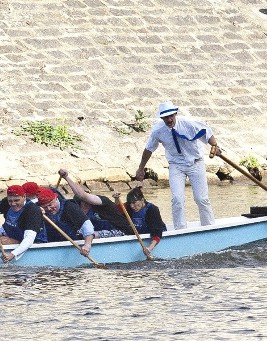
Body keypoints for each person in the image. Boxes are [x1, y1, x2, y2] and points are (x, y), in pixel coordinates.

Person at [135, 101, 219, 230]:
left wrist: (214, 145)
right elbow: (149, 149)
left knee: (201, 198)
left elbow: (207, 131)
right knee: (177, 199)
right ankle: (180, 230)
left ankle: (209, 227)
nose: (169, 120)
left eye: (171, 116)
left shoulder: (188, 123)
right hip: (176, 165)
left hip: (195, 162)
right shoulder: (158, 130)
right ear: (162, 118)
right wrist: (141, 168)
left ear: (175, 114)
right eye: (165, 117)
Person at [57, 168, 133, 238]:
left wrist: (66, 177)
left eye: (86, 202)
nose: (85, 205)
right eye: (82, 204)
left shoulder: (102, 202)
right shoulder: (75, 210)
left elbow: (82, 195)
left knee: (88, 235)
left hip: (122, 232)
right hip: (95, 234)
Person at [0, 185, 47, 263]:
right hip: (12, 236)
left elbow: (29, 239)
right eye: (10, 201)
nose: (13, 204)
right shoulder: (6, 202)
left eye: (17, 200)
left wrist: (12, 254)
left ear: (24, 196)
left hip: (34, 242)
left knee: (3, 241)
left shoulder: (32, 210)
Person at [35, 187, 96, 256]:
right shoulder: (37, 209)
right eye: (45, 207)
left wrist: (87, 245)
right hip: (49, 245)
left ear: (56, 198)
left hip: (71, 243)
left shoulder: (69, 206)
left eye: (50, 205)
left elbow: (87, 226)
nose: (49, 209)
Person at [117, 186, 166, 255]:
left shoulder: (152, 209)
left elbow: (157, 233)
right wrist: (116, 199)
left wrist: (150, 248)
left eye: (134, 203)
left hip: (155, 234)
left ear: (142, 200)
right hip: (139, 232)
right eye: (130, 203)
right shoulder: (129, 207)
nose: (132, 206)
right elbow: (117, 210)